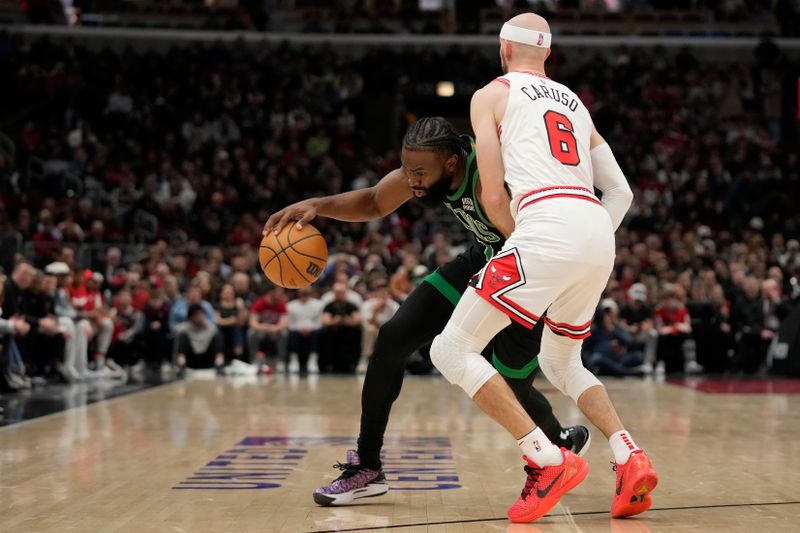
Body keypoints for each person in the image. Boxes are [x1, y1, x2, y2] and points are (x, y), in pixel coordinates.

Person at [264, 116, 590, 507]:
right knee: (392, 337)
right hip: (485, 259)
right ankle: (367, 467)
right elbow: (372, 201)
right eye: (406, 169)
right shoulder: (424, 166)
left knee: (507, 381)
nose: (411, 180)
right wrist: (317, 206)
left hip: (530, 273)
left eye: (419, 173)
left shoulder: (495, 175)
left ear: (451, 164)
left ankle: (558, 441)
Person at [426, 13, 657, 523]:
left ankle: (546, 458)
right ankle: (628, 454)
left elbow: (490, 191)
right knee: (561, 362)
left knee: (451, 348)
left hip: (545, 224)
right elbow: (622, 192)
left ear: (504, 50)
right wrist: (589, 243)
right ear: (546, 54)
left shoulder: (490, 94)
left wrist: (530, 246)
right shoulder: (576, 104)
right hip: (596, 230)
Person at [585, 299, 645, 377]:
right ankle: (627, 373)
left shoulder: (617, 328)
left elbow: (629, 341)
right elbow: (585, 348)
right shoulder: (595, 329)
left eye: (610, 314)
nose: (608, 316)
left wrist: (613, 330)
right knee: (596, 358)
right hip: (602, 359)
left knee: (639, 356)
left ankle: (617, 370)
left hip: (617, 360)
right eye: (606, 314)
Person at [319, 282, 363, 374]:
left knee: (357, 331)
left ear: (345, 293)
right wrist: (334, 321)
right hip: (333, 332)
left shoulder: (352, 305)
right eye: (337, 292)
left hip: (348, 331)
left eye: (341, 292)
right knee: (323, 332)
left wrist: (348, 321)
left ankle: (354, 363)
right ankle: (326, 364)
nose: (339, 294)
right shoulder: (329, 306)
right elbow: (325, 320)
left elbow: (357, 320)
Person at [248, 285, 288, 373]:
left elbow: (284, 323)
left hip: (275, 331)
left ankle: (281, 361)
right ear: (271, 292)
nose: (282, 294)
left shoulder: (281, 303)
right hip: (262, 330)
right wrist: (264, 327)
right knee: (251, 333)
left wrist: (275, 328)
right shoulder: (260, 302)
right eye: (279, 292)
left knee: (284, 334)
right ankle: (254, 361)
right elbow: (252, 323)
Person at [286, 287, 324, 375]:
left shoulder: (318, 304)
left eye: (306, 291)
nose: (304, 292)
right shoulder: (291, 305)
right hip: (296, 330)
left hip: (313, 330)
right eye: (302, 291)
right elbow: (289, 323)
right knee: (292, 334)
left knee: (318, 333)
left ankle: (313, 361)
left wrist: (310, 328)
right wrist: (299, 329)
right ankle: (294, 360)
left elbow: (319, 322)